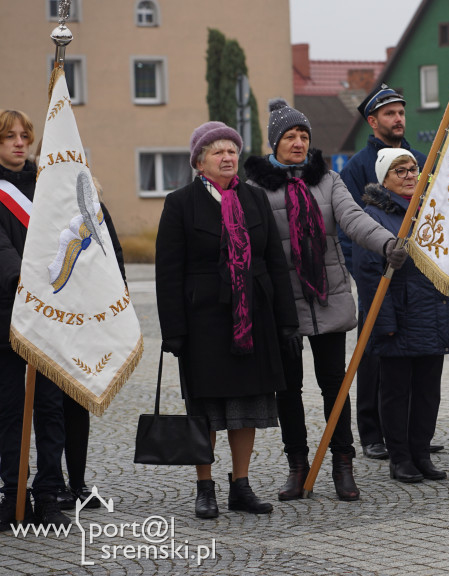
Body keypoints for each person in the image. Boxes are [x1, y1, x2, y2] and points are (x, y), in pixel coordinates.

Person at [244, 100, 408, 502]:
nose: (298, 142)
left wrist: (387, 243)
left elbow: (353, 220)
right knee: (289, 388)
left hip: (328, 295)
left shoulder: (329, 180)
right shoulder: (255, 188)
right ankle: (297, 465)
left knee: (334, 385)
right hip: (283, 302)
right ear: (274, 143)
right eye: (290, 136)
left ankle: (342, 462)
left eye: (303, 136)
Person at [156, 122, 299, 519]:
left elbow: (274, 261)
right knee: (204, 410)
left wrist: (286, 321)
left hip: (252, 318)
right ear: (200, 162)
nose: (227, 157)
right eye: (217, 151)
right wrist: (174, 330)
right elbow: (168, 271)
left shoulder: (254, 199)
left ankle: (241, 485)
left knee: (246, 405)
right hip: (204, 321)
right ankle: (205, 487)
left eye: (232, 150)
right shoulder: (180, 203)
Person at [352, 148, 449, 483]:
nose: (410, 175)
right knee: (397, 394)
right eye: (400, 171)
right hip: (398, 321)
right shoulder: (373, 217)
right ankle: (400, 458)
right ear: (384, 178)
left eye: (413, 169)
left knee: (429, 392)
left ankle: (421, 453)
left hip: (433, 317)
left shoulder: (429, 211)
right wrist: (383, 324)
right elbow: (370, 276)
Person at [339, 84, 430, 461]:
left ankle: (408, 434)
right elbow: (349, 222)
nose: (398, 119)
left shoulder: (418, 157)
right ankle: (372, 432)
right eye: (389, 114)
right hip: (376, 273)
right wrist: (362, 271)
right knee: (374, 355)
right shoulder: (359, 166)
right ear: (372, 121)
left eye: (401, 112)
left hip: (418, 281)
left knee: (415, 360)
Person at [0, 110, 72, 530]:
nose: (19, 143)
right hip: (7, 312)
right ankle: (13, 494)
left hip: (49, 315)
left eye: (25, 136)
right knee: (10, 409)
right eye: (9, 137)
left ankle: (48, 494)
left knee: (50, 409)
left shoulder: (48, 188)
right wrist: (21, 279)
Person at [56, 177, 127, 512]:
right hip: (45, 318)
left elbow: (113, 255)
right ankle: (49, 484)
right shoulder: (35, 206)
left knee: (76, 403)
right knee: (45, 408)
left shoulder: (94, 206)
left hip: (83, 319)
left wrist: (118, 303)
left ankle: (78, 483)